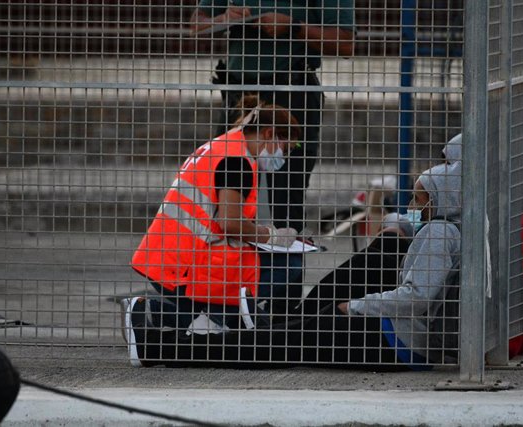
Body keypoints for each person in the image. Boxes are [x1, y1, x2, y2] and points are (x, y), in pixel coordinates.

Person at [124, 153, 463, 369]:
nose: (414, 206)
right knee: (281, 341)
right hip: (402, 339)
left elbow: (417, 295)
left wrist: (355, 307)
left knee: (276, 346)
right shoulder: (453, 227)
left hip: (396, 339)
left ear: (441, 198)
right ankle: (166, 343)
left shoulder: (438, 233)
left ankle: (161, 347)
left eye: (420, 199)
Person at [126, 95, 303, 361]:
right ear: (270, 133)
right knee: (289, 267)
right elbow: (229, 223)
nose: (283, 156)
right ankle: (152, 310)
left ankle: (186, 315)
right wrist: (272, 235)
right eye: (286, 148)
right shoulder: (238, 161)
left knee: (222, 326)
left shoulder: (222, 146)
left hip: (168, 259)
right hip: (185, 268)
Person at [189, 0, 356, 233]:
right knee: (225, 188)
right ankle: (227, 266)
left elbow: (346, 43)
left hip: (291, 97)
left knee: (286, 199)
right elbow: (197, 23)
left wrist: (293, 27)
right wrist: (223, 19)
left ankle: (284, 264)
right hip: (239, 98)